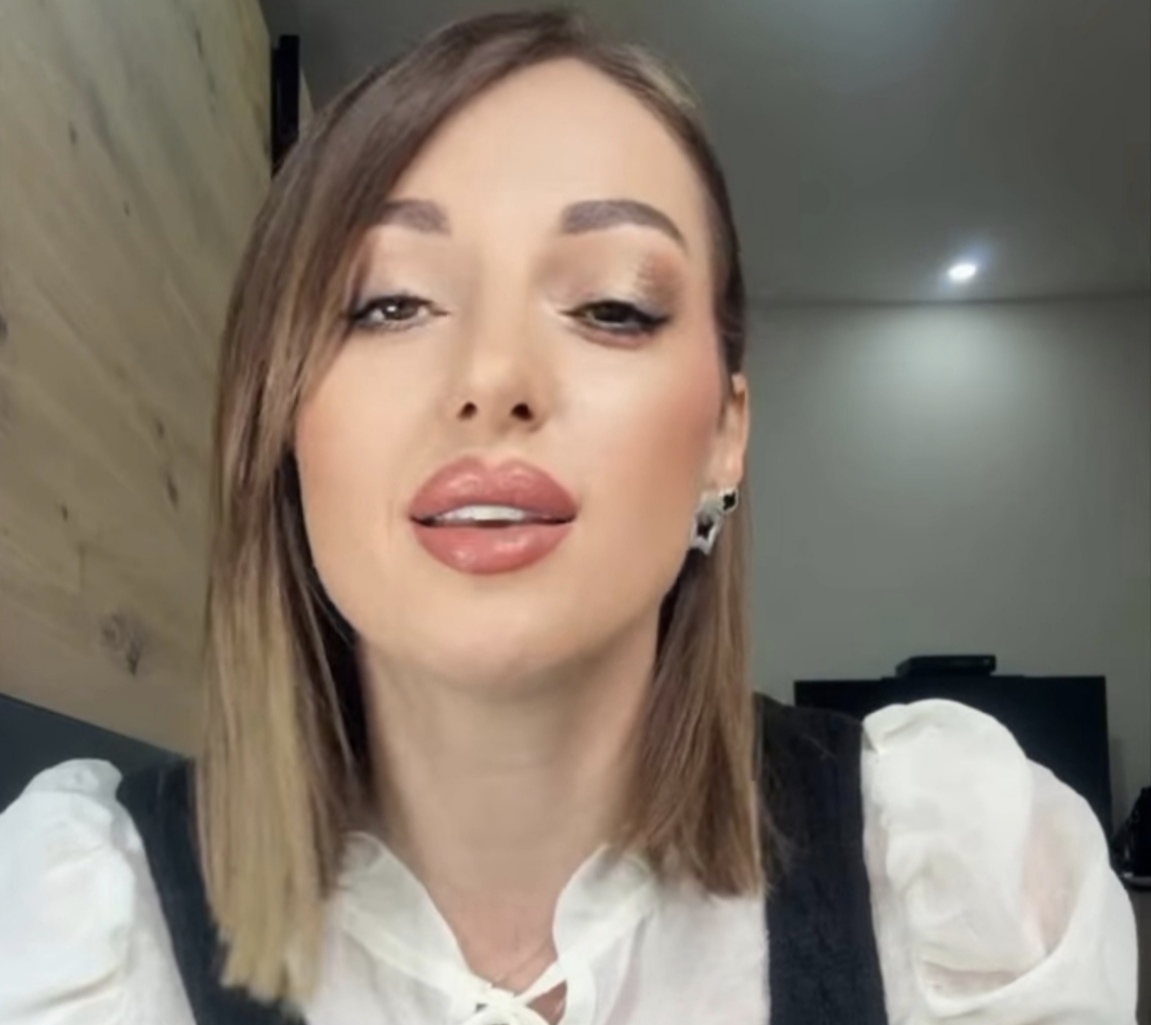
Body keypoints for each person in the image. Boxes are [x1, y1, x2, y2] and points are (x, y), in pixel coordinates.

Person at [0, 8, 1138, 1025]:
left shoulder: (964, 889)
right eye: (389, 302)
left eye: (611, 306)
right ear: (285, 418)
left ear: (724, 434)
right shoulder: (81, 930)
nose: (494, 376)